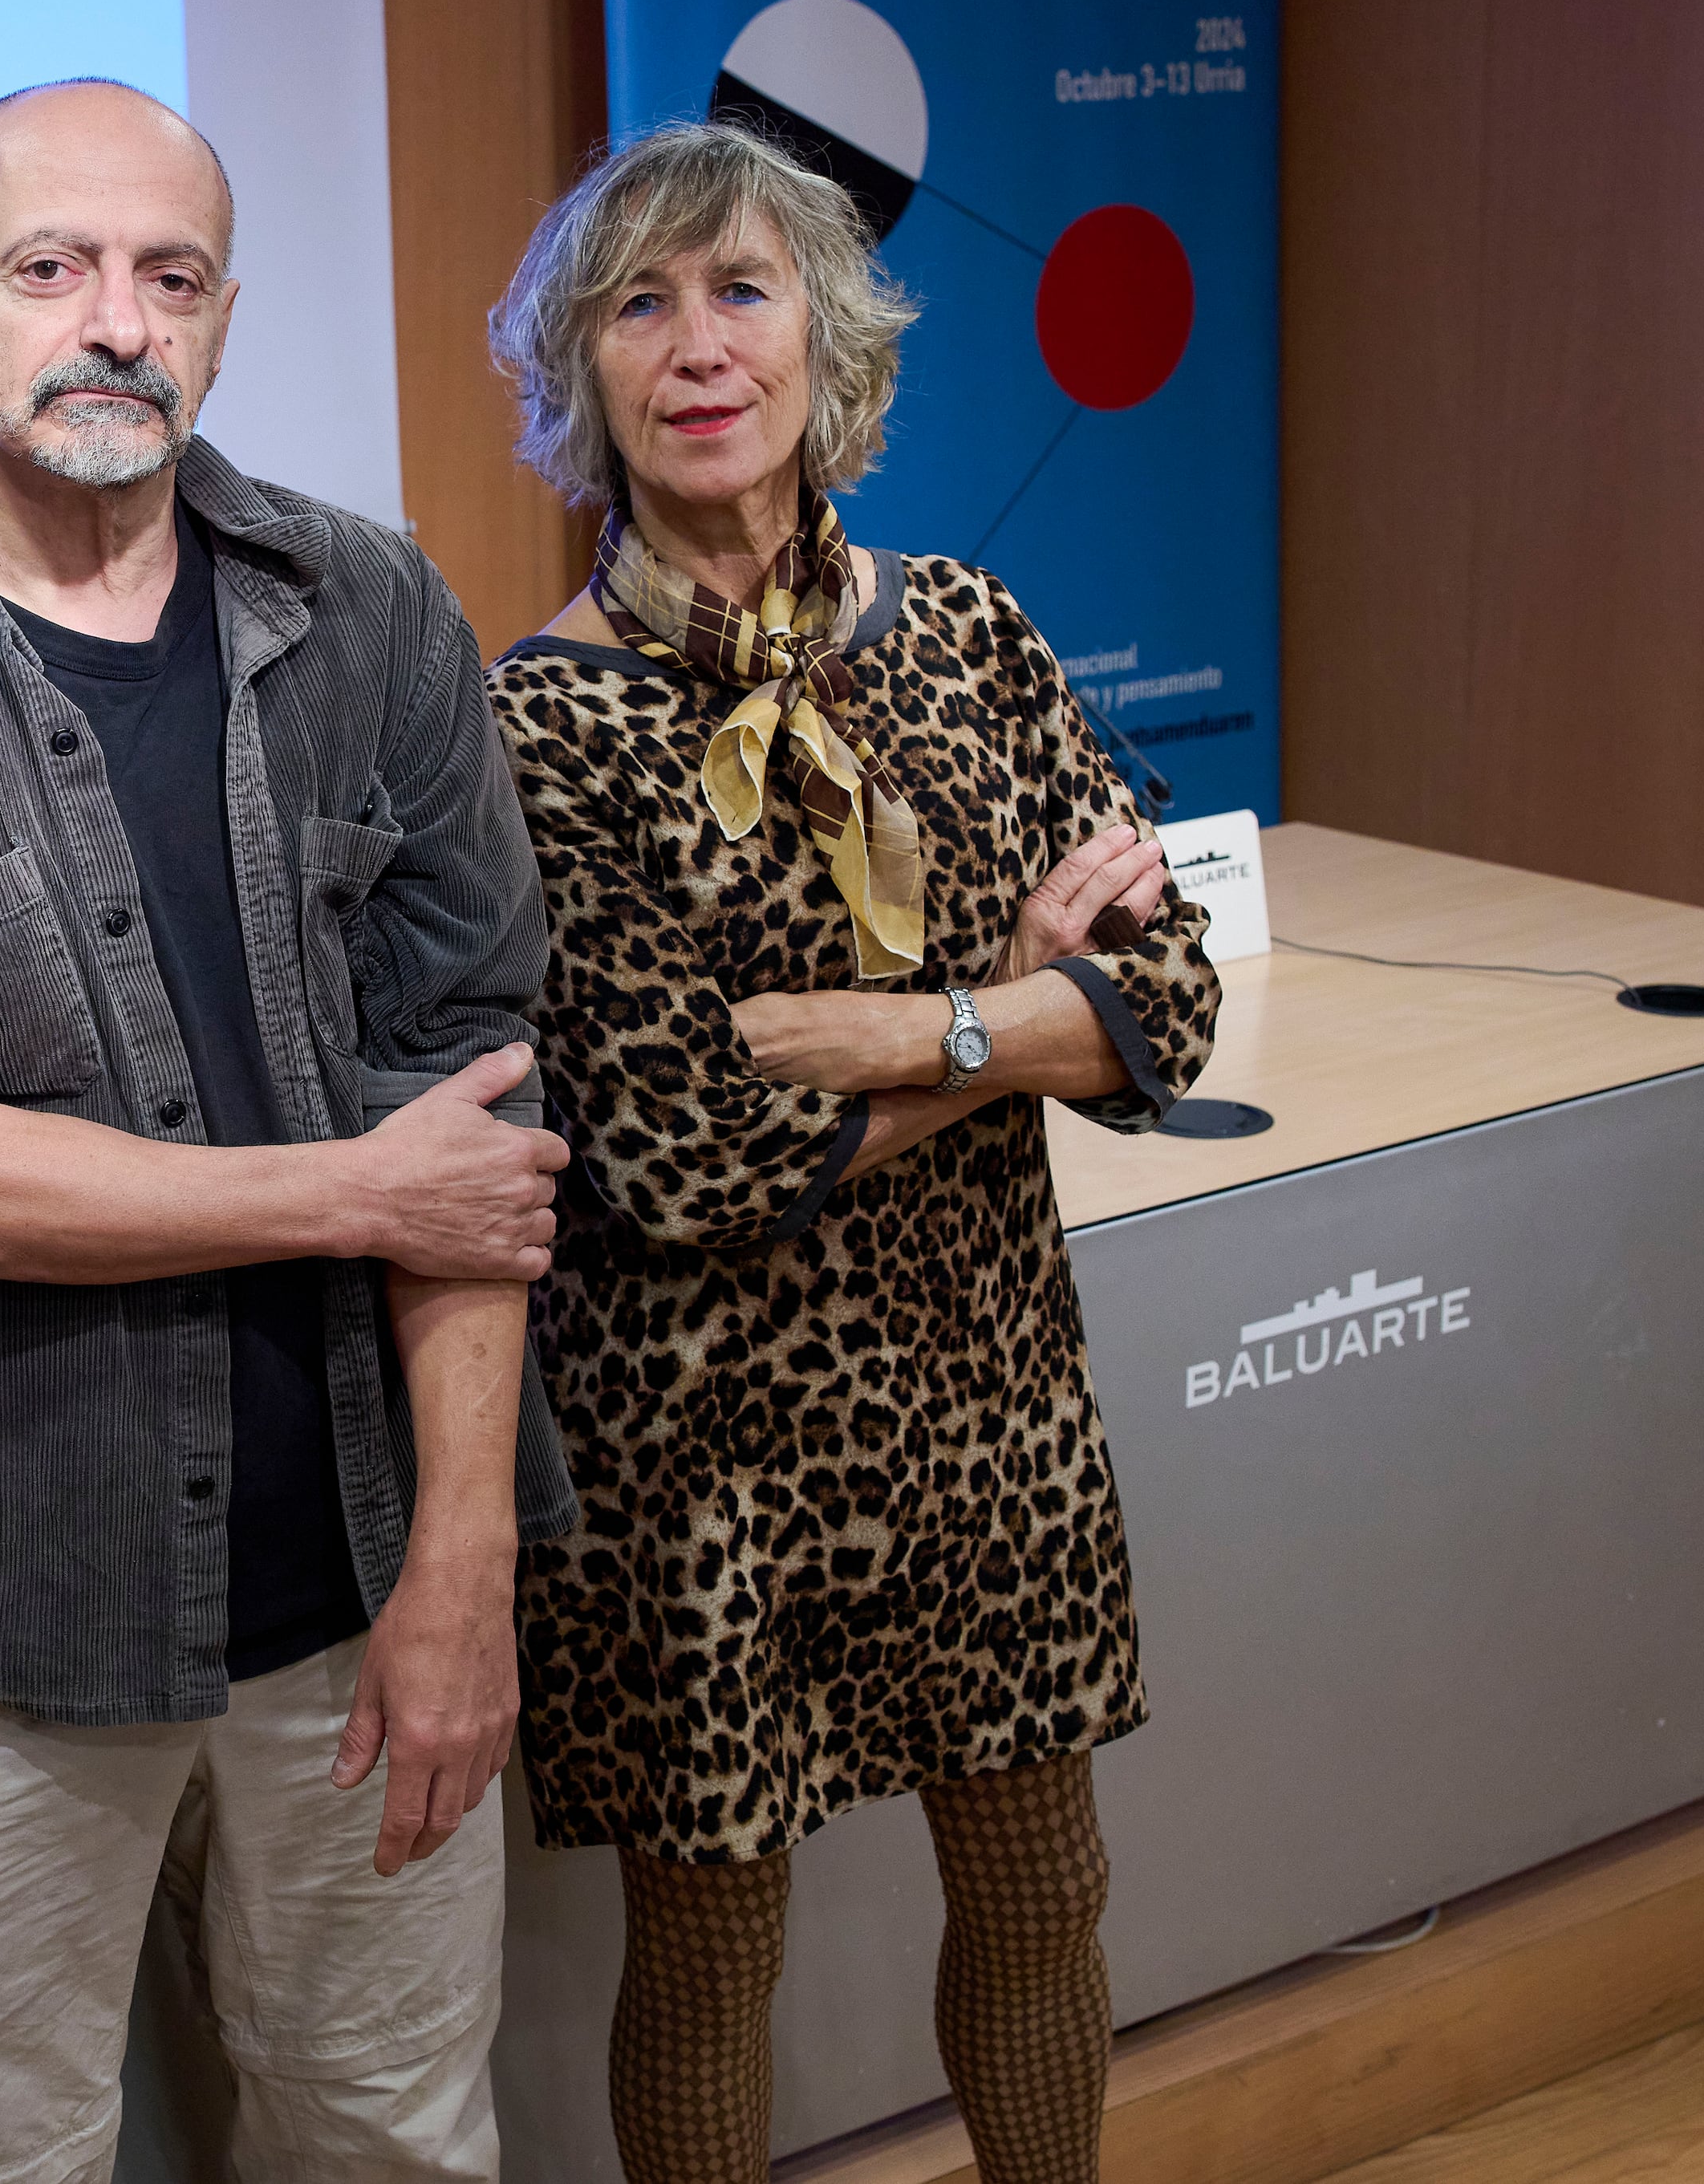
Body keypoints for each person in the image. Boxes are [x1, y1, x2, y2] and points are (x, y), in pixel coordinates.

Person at [0, 77, 574, 2182]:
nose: (115, 322)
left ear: (226, 314)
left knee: (395, 2146)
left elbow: (486, 1117)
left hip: (357, 1581)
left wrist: (463, 1559)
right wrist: (350, 1186)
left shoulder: (374, 613)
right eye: (49, 266)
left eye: (169, 277)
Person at [480, 120, 1222, 2184]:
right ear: (582, 374)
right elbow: (680, 1154)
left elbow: (1172, 1002)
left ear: (830, 339)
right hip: (697, 1454)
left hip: (991, 1399)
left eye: (744, 291)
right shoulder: (532, 723)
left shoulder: (972, 627)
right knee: (710, 1965)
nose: (699, 346)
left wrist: (923, 1024)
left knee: (1041, 1892)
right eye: (640, 304)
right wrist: (1024, 1009)